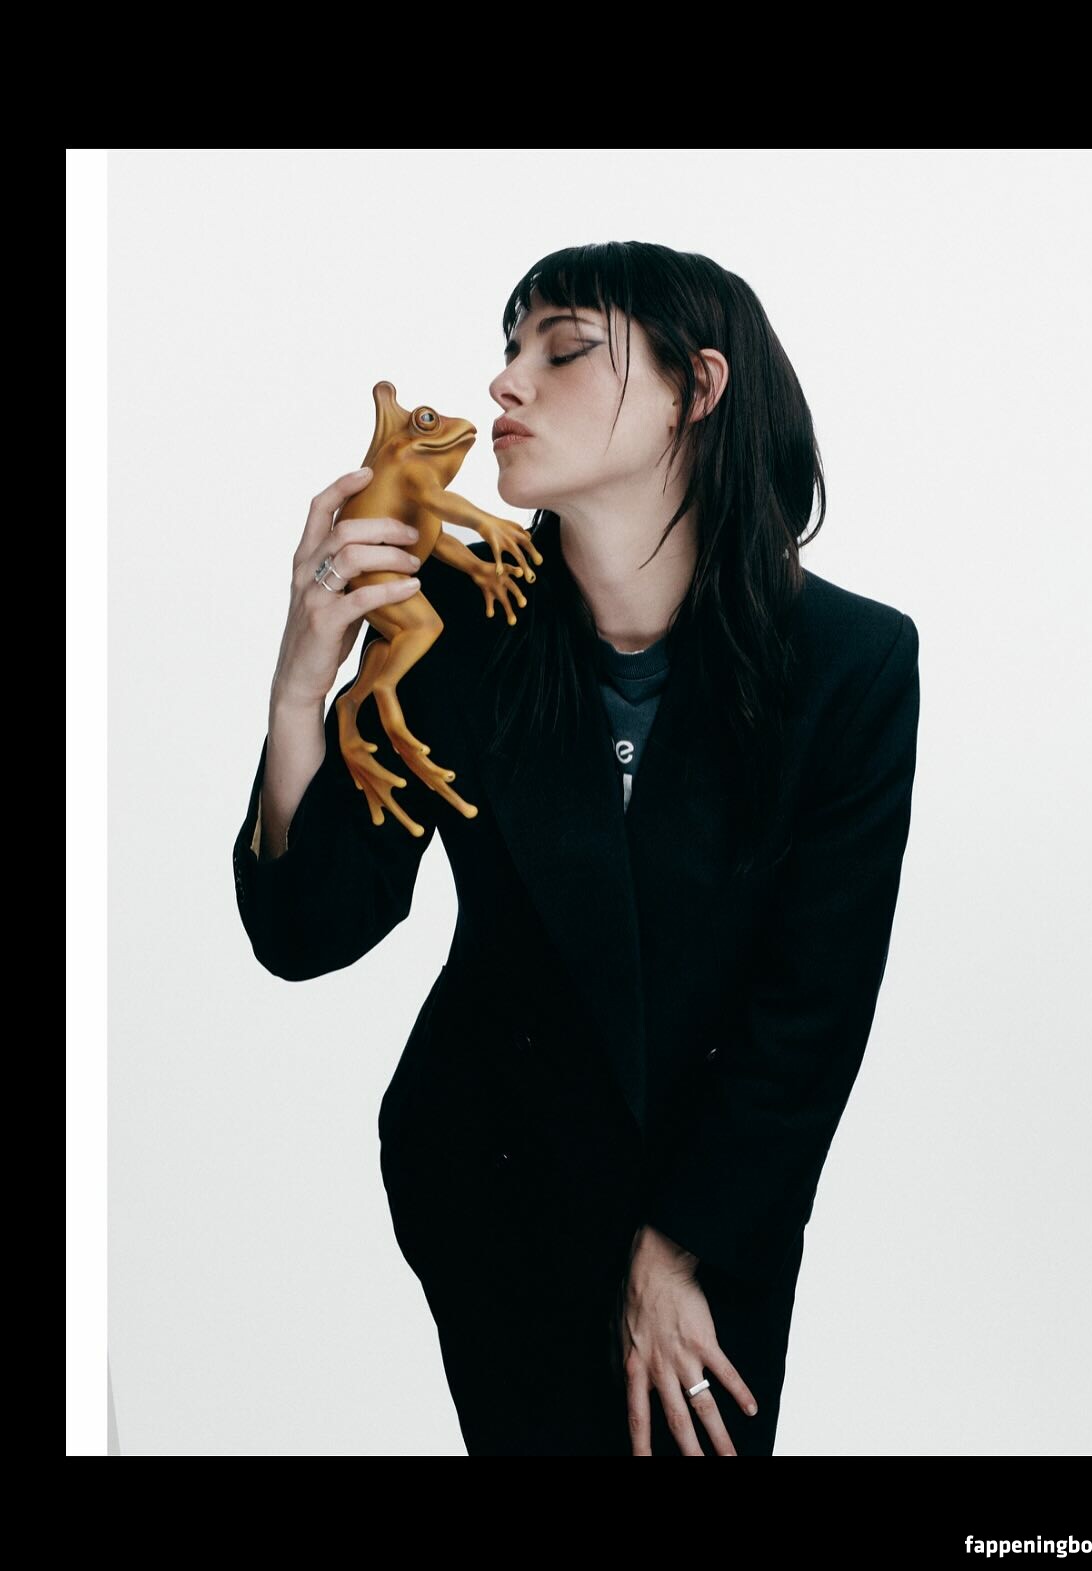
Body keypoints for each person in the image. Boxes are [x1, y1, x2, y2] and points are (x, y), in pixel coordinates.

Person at [231, 240, 921, 1455]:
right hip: (493, 1180)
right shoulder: (460, 629)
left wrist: (678, 1249)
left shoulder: (850, 664)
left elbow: (814, 1005)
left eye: (564, 350)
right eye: (509, 350)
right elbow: (311, 927)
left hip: (720, 1199)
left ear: (696, 387)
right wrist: (302, 685)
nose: (506, 383)